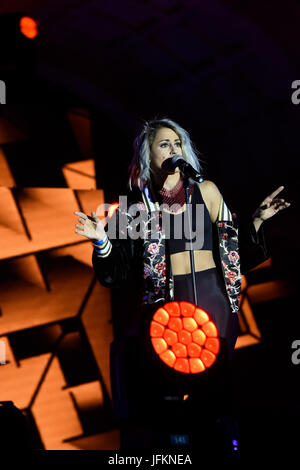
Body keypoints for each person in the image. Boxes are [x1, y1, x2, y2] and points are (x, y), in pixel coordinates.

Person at [74, 118, 290, 450]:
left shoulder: (207, 191)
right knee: (172, 397)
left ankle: (220, 440)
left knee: (213, 391)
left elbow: (234, 258)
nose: (173, 150)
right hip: (163, 308)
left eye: (177, 143)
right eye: (164, 144)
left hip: (213, 300)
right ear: (148, 155)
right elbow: (112, 274)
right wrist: (101, 239)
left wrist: (257, 220)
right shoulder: (134, 208)